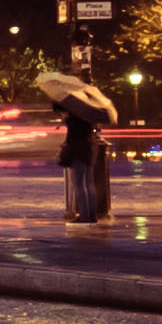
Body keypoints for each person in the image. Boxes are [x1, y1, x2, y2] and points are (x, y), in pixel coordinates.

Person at [39, 57, 119, 224]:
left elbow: (57, 107)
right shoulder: (91, 112)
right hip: (90, 146)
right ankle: (90, 215)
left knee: (79, 184)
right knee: (89, 183)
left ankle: (84, 216)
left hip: (77, 146)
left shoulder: (75, 111)